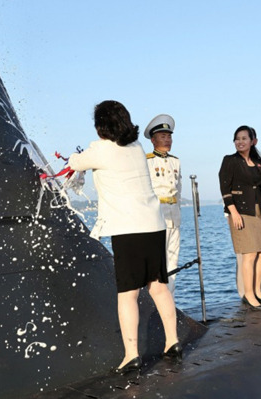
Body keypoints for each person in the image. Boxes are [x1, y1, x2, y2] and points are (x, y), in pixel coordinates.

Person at [68, 100, 181, 374]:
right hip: (154, 226)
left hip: (128, 230)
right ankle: (173, 342)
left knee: (127, 294)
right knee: (158, 287)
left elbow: (74, 162)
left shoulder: (100, 149)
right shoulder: (137, 146)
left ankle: (131, 355)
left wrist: (77, 158)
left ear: (101, 126)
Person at [219, 125, 261, 310]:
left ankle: (257, 291)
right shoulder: (230, 161)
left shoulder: (258, 163)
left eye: (244, 138)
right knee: (249, 254)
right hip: (240, 211)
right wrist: (234, 212)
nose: (240, 142)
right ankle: (249, 295)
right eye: (237, 138)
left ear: (252, 141)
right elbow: (225, 188)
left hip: (257, 211)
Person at [144, 114, 181, 296]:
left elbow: (178, 191)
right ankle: (156, 303)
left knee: (173, 261)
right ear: (153, 139)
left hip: (174, 216)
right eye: (163, 136)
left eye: (169, 136)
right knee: (158, 263)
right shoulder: (147, 161)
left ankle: (170, 301)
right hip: (157, 217)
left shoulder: (175, 161)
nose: (167, 140)